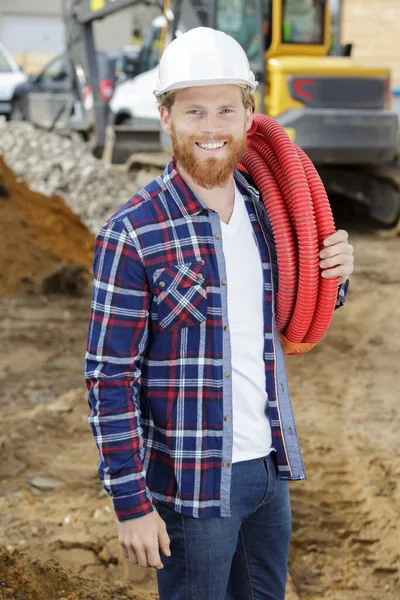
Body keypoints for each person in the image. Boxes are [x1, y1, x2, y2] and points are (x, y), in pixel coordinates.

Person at [84, 27, 354, 600]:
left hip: (270, 474)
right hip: (193, 486)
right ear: (166, 118)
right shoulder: (133, 232)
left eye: (226, 110)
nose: (212, 127)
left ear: (249, 116)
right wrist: (131, 504)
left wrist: (335, 272)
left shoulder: (268, 216)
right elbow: (110, 378)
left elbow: (295, 310)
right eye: (195, 111)